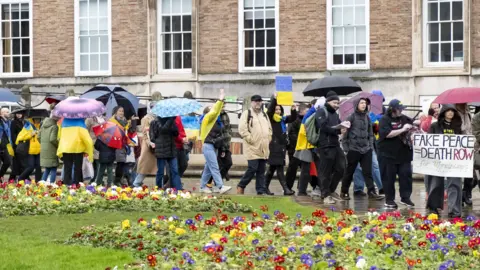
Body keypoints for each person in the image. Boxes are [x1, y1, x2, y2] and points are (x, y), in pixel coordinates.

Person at [340, 98, 384, 200]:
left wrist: (370, 146)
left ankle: (371, 192)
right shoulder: (350, 117)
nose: (364, 105)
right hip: (353, 149)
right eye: (362, 103)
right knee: (349, 171)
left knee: (367, 172)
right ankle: (344, 191)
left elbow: (370, 134)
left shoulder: (367, 117)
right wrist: (347, 149)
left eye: (365, 103)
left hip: (366, 149)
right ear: (357, 104)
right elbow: (345, 134)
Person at [426, 104, 463, 217]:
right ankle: (433, 208)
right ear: (443, 112)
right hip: (438, 160)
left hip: (453, 161)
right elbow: (428, 141)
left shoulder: (457, 126)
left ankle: (455, 210)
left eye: (453, 111)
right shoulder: (434, 126)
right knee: (436, 183)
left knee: (455, 184)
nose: (451, 113)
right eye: (448, 111)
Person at [377, 99, 415, 209]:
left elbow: (413, 127)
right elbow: (387, 134)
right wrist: (402, 129)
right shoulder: (384, 120)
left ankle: (405, 197)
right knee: (389, 178)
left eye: (402, 109)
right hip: (388, 154)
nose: (401, 111)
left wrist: (413, 130)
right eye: (399, 109)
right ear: (392, 109)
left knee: (406, 176)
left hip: (404, 154)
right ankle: (389, 200)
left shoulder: (404, 118)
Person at [314, 91, 348, 204]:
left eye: (338, 103)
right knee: (325, 171)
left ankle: (331, 190)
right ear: (328, 101)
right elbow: (322, 126)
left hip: (335, 144)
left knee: (341, 167)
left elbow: (338, 125)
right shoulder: (321, 111)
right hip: (325, 145)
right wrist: (337, 130)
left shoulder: (335, 114)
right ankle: (325, 195)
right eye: (335, 102)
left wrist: (343, 127)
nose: (337, 105)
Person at [237, 95, 272, 195]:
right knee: (252, 168)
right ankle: (241, 185)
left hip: (263, 147)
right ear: (252, 102)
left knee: (261, 170)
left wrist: (269, 138)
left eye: (259, 101)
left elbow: (269, 128)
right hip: (251, 147)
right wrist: (250, 139)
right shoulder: (246, 113)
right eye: (256, 101)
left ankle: (260, 190)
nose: (258, 103)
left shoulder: (264, 114)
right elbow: (242, 129)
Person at [199, 89, 232, 194]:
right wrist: (220, 99)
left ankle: (202, 186)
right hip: (208, 145)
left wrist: (222, 147)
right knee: (214, 166)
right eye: (210, 109)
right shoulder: (206, 120)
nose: (212, 110)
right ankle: (220, 186)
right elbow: (214, 111)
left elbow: (222, 135)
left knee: (208, 168)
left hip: (215, 146)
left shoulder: (216, 122)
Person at [264, 95, 296, 195]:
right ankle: (286, 189)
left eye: (279, 109)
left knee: (272, 168)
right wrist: (274, 99)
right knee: (279, 168)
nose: (277, 111)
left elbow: (292, 118)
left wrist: (293, 110)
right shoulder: (271, 118)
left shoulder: (282, 119)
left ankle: (264, 187)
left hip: (281, 147)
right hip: (274, 147)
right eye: (276, 109)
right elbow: (269, 111)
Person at [57, 117, 94, 185]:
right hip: (77, 148)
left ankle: (66, 185)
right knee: (78, 169)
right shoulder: (81, 123)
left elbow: (59, 136)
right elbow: (87, 140)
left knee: (67, 169)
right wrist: (90, 153)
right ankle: (77, 185)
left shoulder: (64, 121)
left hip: (66, 148)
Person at [149, 115, 182, 190]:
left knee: (175, 170)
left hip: (171, 149)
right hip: (161, 149)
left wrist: (174, 127)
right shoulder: (155, 122)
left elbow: (176, 134)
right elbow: (161, 131)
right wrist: (170, 121)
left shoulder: (171, 121)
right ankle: (158, 188)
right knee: (160, 171)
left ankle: (178, 189)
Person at [206, 104, 233, 187]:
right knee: (217, 164)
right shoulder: (214, 115)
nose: (223, 108)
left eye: (224, 106)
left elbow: (228, 129)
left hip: (225, 143)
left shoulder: (225, 115)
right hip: (218, 143)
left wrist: (227, 143)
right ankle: (213, 183)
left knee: (227, 163)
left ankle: (215, 182)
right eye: (221, 106)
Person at [110, 106, 138, 186]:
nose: (121, 113)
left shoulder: (125, 121)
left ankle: (121, 179)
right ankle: (117, 180)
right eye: (119, 111)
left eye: (122, 111)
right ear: (115, 112)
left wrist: (132, 121)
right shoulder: (112, 121)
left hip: (125, 145)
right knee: (120, 162)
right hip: (117, 144)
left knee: (124, 163)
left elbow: (131, 130)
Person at [133, 102, 158, 187]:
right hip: (148, 146)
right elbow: (145, 133)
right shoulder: (146, 118)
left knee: (157, 167)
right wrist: (149, 143)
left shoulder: (158, 117)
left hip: (156, 145)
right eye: (153, 107)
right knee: (144, 166)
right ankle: (136, 183)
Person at [456, 103, 476, 206]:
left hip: (469, 145)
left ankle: (466, 194)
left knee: (472, 175)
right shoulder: (455, 113)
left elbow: (470, 128)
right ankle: (461, 195)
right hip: (459, 147)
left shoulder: (468, 113)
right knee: (460, 173)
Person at [285, 103, 309, 190]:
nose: (308, 112)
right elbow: (291, 133)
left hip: (302, 147)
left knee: (304, 168)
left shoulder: (305, 119)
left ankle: (301, 186)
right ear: (302, 111)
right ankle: (288, 186)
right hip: (295, 148)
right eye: (307, 111)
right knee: (292, 168)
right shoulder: (295, 119)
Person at [16, 117, 41, 181]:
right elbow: (20, 138)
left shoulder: (40, 126)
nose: (37, 120)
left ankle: (38, 182)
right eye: (36, 119)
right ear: (32, 119)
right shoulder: (28, 126)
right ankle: (20, 178)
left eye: (39, 119)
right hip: (30, 150)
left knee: (38, 167)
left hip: (38, 150)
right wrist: (31, 134)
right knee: (30, 167)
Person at [39, 114, 59, 183]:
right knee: (53, 168)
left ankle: (42, 184)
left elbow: (38, 137)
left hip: (44, 149)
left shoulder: (43, 125)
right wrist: (58, 144)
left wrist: (43, 144)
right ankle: (51, 184)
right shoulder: (54, 126)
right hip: (52, 150)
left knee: (47, 169)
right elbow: (52, 139)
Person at [9, 113, 24, 181]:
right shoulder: (14, 122)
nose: (19, 115)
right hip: (17, 145)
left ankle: (14, 178)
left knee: (19, 162)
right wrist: (16, 144)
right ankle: (14, 178)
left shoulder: (22, 122)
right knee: (16, 162)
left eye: (20, 114)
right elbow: (12, 134)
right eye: (17, 114)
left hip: (22, 145)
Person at [0, 108, 12, 182]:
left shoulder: (8, 122)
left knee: (8, 162)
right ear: (2, 113)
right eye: (7, 112)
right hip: (1, 145)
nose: (9, 113)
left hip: (6, 145)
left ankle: (0, 175)